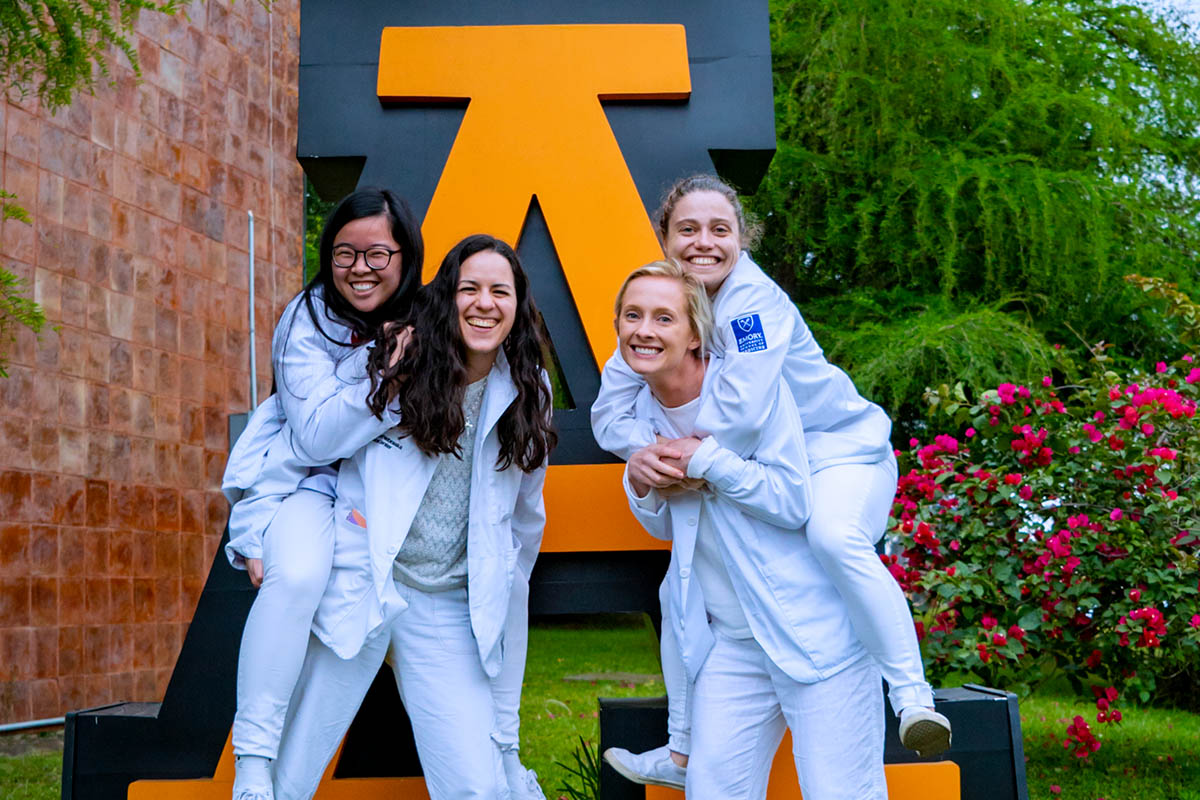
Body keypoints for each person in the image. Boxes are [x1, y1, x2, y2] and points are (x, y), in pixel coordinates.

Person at [594, 175, 950, 790]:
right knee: (677, 597)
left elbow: (744, 418)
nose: (703, 243)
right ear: (663, 237)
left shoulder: (752, 312)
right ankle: (683, 754)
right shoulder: (649, 343)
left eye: (719, 230)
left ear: (742, 239)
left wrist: (694, 460)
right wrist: (642, 459)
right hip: (740, 639)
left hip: (840, 447)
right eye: (687, 229)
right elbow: (609, 414)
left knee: (835, 539)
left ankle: (912, 695)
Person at [267, 234, 556, 800]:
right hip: (363, 586)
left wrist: (500, 589)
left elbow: (524, 521)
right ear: (446, 297)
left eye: (500, 291)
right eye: (468, 287)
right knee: (293, 770)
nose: (484, 302)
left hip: (445, 605)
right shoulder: (399, 362)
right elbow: (310, 438)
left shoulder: (528, 390)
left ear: (518, 306)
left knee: (475, 789)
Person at [613, 260, 887, 798]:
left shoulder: (754, 394)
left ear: (696, 333)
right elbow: (672, 526)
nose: (644, 329)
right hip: (732, 646)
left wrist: (710, 461)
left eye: (663, 318)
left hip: (815, 637)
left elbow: (791, 501)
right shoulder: (637, 411)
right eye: (632, 315)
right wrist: (640, 481)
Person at [224, 187, 425, 800]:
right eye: (344, 253)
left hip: (387, 501)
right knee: (300, 576)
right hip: (307, 489)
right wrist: (383, 370)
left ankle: (289, 789)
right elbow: (312, 439)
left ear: (406, 254)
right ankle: (253, 760)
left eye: (377, 254)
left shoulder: (430, 321)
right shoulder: (307, 317)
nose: (359, 268)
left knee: (365, 628)